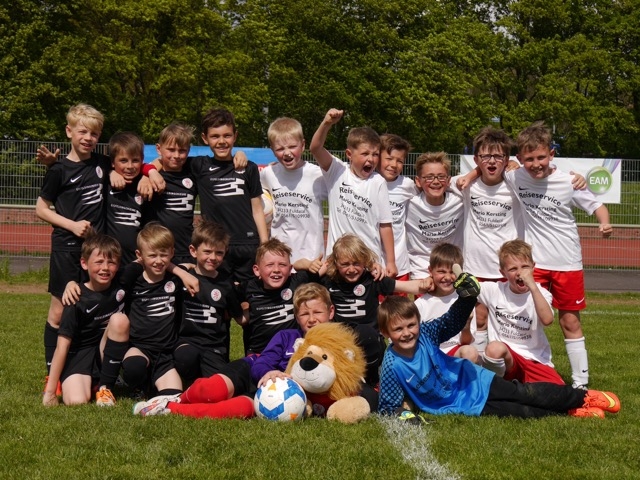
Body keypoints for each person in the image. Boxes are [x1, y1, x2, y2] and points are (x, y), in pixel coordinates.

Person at [377, 281, 621, 420]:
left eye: (411, 325)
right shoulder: (391, 364)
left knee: (522, 392)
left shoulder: (426, 333)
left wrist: (467, 298)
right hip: (459, 405)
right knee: (518, 412)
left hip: (472, 379)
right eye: (398, 329)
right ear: (386, 333)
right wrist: (405, 417)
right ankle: (571, 411)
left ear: (418, 323)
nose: (407, 333)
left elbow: (451, 321)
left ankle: (584, 397)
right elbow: (389, 405)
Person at [505, 121, 613, 389]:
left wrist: (605, 223)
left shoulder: (569, 181)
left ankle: (580, 383)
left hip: (568, 263)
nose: (536, 164)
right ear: (520, 158)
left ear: (551, 154)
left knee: (569, 321)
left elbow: (597, 206)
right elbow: (492, 166)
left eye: (541, 157)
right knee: (525, 319)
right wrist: (509, 165)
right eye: (529, 159)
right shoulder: (515, 176)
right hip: (534, 265)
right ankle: (527, 372)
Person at [131, 283, 335, 418]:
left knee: (237, 410)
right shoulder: (286, 336)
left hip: (270, 394)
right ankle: (177, 398)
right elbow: (264, 361)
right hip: (252, 370)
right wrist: (268, 371)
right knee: (211, 391)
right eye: (304, 314)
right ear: (296, 316)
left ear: (331, 312)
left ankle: (169, 409)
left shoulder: (337, 345)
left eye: (318, 312)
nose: (312, 319)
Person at [35, 104, 111, 386]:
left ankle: (93, 369)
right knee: (59, 312)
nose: (88, 138)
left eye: (94, 133)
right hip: (67, 249)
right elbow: (41, 209)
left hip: (96, 251)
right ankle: (51, 375)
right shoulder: (57, 169)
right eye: (82, 132)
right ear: (69, 132)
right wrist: (72, 224)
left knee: (94, 309)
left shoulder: (103, 163)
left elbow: (133, 162)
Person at [42, 233, 130, 407]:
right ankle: (88, 382)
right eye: (99, 262)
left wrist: (183, 270)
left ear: (118, 265)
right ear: (84, 263)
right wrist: (50, 392)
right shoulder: (75, 298)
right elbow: (62, 346)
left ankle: (105, 388)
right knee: (76, 401)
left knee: (119, 320)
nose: (105, 268)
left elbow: (150, 261)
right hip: (78, 355)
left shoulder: (123, 282)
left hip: (103, 351)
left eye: (111, 262)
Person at [309, 108, 396, 276]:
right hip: (338, 261)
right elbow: (315, 148)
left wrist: (391, 261)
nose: (371, 159)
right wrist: (326, 124)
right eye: (365, 153)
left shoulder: (378, 182)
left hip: (368, 262)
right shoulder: (336, 171)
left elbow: (385, 224)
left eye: (375, 154)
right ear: (349, 154)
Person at [188, 108, 268, 283]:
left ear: (235, 136)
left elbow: (257, 209)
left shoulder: (249, 168)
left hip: (247, 245)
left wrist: (264, 244)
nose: (222, 141)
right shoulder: (199, 166)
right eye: (215, 136)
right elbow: (168, 160)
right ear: (205, 138)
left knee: (248, 294)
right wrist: (151, 171)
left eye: (227, 136)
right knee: (219, 293)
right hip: (215, 247)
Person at [120, 222, 199, 398]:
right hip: (139, 348)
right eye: (152, 255)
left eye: (163, 255)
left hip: (166, 351)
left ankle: (168, 378)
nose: (158, 261)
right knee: (134, 367)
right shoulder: (132, 280)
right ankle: (138, 383)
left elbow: (189, 268)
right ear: (139, 255)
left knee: (172, 397)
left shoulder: (175, 279)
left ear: (172, 253)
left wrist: (183, 270)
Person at [478, 240, 564, 385]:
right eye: (513, 269)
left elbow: (547, 320)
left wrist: (532, 287)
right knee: (494, 349)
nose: (520, 273)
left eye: (525, 267)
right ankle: (496, 386)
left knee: (558, 391)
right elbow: (463, 285)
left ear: (533, 267)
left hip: (534, 359)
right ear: (502, 272)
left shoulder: (541, 293)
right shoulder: (494, 290)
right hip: (507, 359)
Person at [173, 220, 244, 384]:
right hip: (186, 342)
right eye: (207, 251)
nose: (213, 257)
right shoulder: (181, 277)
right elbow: (165, 266)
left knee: (218, 386)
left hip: (214, 346)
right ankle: (188, 381)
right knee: (186, 357)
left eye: (219, 253)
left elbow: (240, 318)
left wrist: (250, 306)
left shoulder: (226, 284)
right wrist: (181, 271)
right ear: (193, 251)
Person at [321, 234, 433, 330]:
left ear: (364, 261)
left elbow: (408, 286)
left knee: (368, 335)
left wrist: (427, 282)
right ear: (336, 263)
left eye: (356, 263)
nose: (351, 269)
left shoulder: (373, 279)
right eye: (345, 264)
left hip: (369, 340)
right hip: (340, 339)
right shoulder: (329, 281)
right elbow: (309, 284)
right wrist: (316, 270)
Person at [237, 238, 322, 357]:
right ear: (257, 270)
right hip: (259, 353)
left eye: (282, 265)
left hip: (291, 352)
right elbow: (228, 295)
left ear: (290, 269)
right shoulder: (249, 287)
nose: (276, 270)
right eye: (270, 265)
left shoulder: (295, 282)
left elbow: (321, 268)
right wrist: (242, 311)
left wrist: (309, 264)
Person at [260, 117, 328, 265]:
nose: (287, 153)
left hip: (312, 258)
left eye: (292, 146)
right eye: (280, 149)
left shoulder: (317, 175)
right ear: (272, 150)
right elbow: (257, 194)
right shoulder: (268, 173)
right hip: (279, 258)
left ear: (303, 145)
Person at [414, 243, 478, 363]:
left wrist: (466, 326)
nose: (447, 277)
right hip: (429, 354)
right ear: (430, 271)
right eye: (441, 271)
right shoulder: (420, 304)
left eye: (452, 272)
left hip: (454, 352)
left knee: (470, 352)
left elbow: (466, 342)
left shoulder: (464, 300)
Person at [405, 152, 463, 280]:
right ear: (418, 181)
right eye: (429, 177)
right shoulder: (409, 204)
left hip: (452, 269)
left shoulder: (460, 201)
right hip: (421, 271)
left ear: (448, 180)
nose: (436, 181)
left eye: (441, 177)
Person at [145, 123, 198, 264]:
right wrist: (148, 173)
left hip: (185, 251)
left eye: (182, 150)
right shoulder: (150, 177)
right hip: (156, 253)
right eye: (171, 150)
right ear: (159, 149)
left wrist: (239, 154)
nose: (176, 155)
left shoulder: (193, 173)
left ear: (189, 150)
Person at [375, 134, 416, 292]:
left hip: (399, 263)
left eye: (400, 161)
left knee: (399, 307)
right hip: (373, 264)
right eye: (389, 158)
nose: (394, 165)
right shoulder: (368, 182)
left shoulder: (407, 185)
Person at [105, 131, 146, 265]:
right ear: (112, 162)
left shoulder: (146, 185)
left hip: (136, 260)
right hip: (107, 259)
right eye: (123, 160)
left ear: (142, 160)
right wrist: (110, 172)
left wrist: (148, 174)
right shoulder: (104, 183)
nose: (130, 166)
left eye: (135, 160)